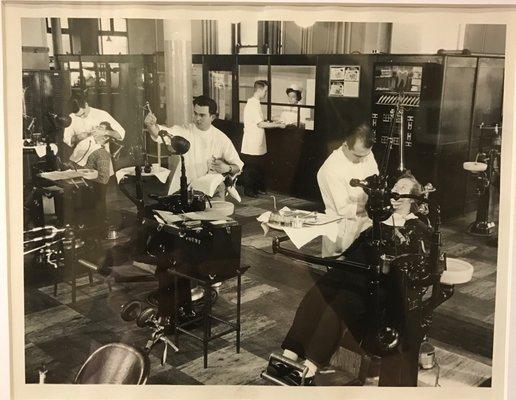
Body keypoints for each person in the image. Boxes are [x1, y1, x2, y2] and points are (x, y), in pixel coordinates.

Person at [271, 173, 432, 385]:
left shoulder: (417, 228)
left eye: (401, 187)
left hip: (373, 281)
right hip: (348, 270)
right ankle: (289, 355)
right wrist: (341, 259)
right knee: (316, 296)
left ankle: (310, 368)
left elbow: (416, 264)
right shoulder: (379, 219)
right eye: (394, 185)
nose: (394, 189)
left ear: (412, 199)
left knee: (338, 307)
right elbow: (356, 246)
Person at [144, 95, 244, 197]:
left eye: (202, 115)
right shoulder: (185, 130)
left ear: (212, 117)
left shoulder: (221, 138)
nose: (197, 118)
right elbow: (160, 134)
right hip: (184, 188)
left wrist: (228, 168)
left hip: (211, 191)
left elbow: (238, 166)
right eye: (195, 113)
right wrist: (151, 125)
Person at [317, 123, 379, 257]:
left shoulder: (365, 153)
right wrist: (375, 205)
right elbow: (344, 209)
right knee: (341, 271)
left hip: (366, 223)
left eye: (366, 155)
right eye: (358, 156)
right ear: (345, 144)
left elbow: (375, 181)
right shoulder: (331, 168)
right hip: (343, 229)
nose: (363, 159)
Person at [63, 92, 125, 176]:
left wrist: (105, 132)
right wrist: (78, 137)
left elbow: (121, 134)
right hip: (81, 165)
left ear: (86, 104)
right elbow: (67, 140)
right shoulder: (71, 117)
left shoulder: (102, 114)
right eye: (78, 116)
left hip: (102, 165)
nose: (82, 117)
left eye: (83, 114)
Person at [241, 80, 285, 197]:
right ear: (259, 90)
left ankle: (256, 189)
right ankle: (249, 191)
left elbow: (259, 119)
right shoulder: (252, 104)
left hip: (257, 141)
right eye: (265, 91)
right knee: (251, 167)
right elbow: (260, 124)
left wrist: (272, 120)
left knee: (257, 166)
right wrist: (278, 125)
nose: (266, 93)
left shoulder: (256, 103)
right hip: (252, 141)